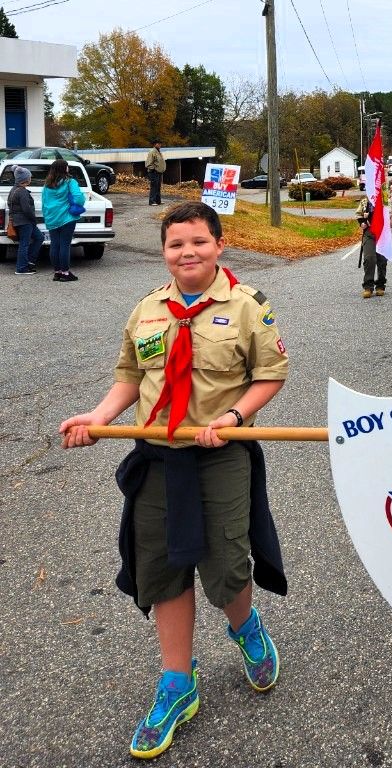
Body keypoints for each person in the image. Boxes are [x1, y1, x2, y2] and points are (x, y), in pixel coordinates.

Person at [59, 201, 289, 760]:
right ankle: (177, 683)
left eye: (198, 242)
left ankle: (246, 626)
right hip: (158, 457)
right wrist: (100, 418)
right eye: (176, 245)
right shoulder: (147, 310)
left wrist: (232, 418)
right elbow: (129, 375)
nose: (187, 253)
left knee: (228, 563)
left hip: (220, 455)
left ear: (219, 245)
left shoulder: (247, 308)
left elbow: (270, 374)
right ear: (164, 252)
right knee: (160, 566)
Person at [41, 158, 85, 282]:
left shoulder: (47, 185)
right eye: (67, 166)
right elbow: (78, 198)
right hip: (66, 218)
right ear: (64, 168)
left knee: (54, 245)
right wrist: (79, 203)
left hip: (51, 218)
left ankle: (57, 272)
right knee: (65, 245)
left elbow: (44, 203)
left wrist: (47, 217)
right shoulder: (70, 182)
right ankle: (65, 273)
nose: (68, 168)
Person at [7, 165, 43, 275]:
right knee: (24, 244)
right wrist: (34, 220)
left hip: (20, 221)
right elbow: (27, 210)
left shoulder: (13, 190)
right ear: (25, 179)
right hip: (25, 222)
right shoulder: (22, 192)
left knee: (39, 238)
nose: (31, 178)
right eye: (30, 177)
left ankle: (29, 261)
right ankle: (21, 268)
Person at [356, 197, 387, 298]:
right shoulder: (365, 201)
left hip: (382, 234)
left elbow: (390, 217)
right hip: (369, 234)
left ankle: (380, 285)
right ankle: (368, 287)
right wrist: (362, 222)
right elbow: (358, 214)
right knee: (369, 258)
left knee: (382, 260)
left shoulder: (384, 199)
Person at [146, 141, 166, 206]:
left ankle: (158, 201)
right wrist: (155, 169)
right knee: (154, 187)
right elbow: (148, 164)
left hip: (159, 172)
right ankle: (152, 201)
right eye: (158, 144)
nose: (160, 145)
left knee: (158, 187)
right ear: (155, 144)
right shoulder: (152, 152)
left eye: (160, 143)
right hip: (154, 172)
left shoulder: (158, 152)